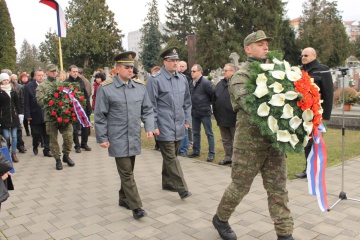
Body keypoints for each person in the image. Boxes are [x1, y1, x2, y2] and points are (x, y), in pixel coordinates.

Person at [212, 30, 294, 240]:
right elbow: (254, 106)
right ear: (248, 49)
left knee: (278, 190)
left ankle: (285, 234)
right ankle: (220, 219)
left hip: (274, 143)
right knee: (240, 187)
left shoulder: (277, 73)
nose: (265, 46)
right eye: (260, 44)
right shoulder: (241, 76)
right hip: (249, 145)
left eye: (266, 43)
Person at [94, 51, 154, 220]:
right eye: (127, 67)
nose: (130, 70)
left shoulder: (139, 87)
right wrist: (102, 137)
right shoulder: (106, 89)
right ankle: (137, 207)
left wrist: (149, 126)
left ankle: (123, 198)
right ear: (117, 68)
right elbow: (100, 115)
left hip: (133, 136)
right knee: (127, 172)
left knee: (128, 170)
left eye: (132, 67)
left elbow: (148, 109)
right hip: (117, 137)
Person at [146, 47, 192, 199]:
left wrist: (187, 120)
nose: (175, 63)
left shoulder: (182, 79)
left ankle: (167, 182)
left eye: (177, 60)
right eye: (172, 60)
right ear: (165, 62)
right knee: (171, 157)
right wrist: (153, 126)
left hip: (179, 125)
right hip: (163, 125)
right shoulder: (155, 79)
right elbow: (150, 105)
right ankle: (182, 188)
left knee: (172, 155)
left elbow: (187, 102)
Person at [294, 47, 334, 179]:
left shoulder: (322, 70)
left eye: (306, 55)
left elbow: (328, 93)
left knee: (315, 142)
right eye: (302, 56)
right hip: (304, 113)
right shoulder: (300, 71)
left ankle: (315, 170)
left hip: (317, 113)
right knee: (307, 142)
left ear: (314, 56)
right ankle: (308, 169)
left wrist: (325, 116)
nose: (303, 57)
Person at [36, 64, 75, 170]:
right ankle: (57, 159)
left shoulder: (61, 84)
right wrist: (52, 101)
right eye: (52, 71)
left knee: (68, 137)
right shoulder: (42, 86)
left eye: (55, 71)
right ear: (47, 72)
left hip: (63, 116)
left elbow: (69, 96)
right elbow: (40, 101)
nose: (54, 72)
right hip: (51, 117)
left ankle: (66, 155)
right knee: (53, 140)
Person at [187, 64, 215, 162]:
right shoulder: (191, 83)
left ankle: (211, 153)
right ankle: (196, 151)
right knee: (195, 133)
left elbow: (213, 95)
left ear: (200, 72)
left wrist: (206, 104)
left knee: (209, 133)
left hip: (204, 112)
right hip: (194, 112)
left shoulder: (206, 83)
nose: (192, 73)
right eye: (191, 71)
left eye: (194, 71)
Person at [24, 69, 52, 157]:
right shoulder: (28, 87)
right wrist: (27, 115)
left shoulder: (47, 85)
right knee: (36, 134)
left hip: (46, 113)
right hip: (35, 114)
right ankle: (35, 145)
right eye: (39, 75)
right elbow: (26, 102)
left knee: (47, 133)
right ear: (35, 77)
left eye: (42, 75)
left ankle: (47, 150)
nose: (41, 77)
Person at [213, 63, 237, 165]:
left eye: (225, 70)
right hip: (222, 117)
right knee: (226, 140)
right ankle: (228, 157)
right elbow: (215, 98)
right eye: (223, 70)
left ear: (233, 71)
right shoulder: (220, 84)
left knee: (235, 140)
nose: (223, 72)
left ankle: (236, 160)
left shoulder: (237, 83)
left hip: (233, 117)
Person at [65, 65, 92, 153]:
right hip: (73, 109)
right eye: (73, 71)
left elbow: (85, 94)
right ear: (69, 72)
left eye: (76, 71)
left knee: (85, 126)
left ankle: (84, 143)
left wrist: (88, 107)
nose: (75, 73)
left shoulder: (81, 81)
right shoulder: (66, 82)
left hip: (82, 108)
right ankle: (77, 145)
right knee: (75, 128)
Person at [0, 73, 21, 163]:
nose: (6, 82)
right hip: (4, 117)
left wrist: (20, 114)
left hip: (14, 116)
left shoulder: (13, 91)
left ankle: (14, 153)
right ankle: (7, 152)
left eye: (7, 80)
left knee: (14, 136)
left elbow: (17, 103)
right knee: (7, 136)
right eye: (4, 80)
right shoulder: (1, 93)